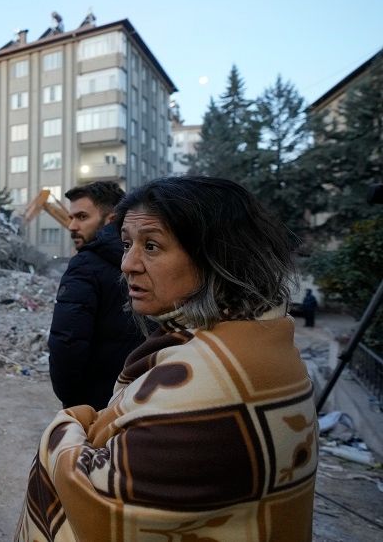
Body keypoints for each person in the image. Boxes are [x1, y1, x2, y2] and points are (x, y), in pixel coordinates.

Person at [17, 176, 317, 541]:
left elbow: (100, 498)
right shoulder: (265, 338)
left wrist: (73, 418)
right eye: (127, 245)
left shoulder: (209, 380)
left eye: (152, 246)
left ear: (217, 255)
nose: (128, 264)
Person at [48, 181, 143, 410]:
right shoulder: (144, 259)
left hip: (95, 403)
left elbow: (67, 342)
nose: (71, 226)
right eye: (71, 217)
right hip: (139, 396)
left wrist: (71, 400)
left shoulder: (85, 264)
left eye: (81, 217)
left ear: (110, 219)